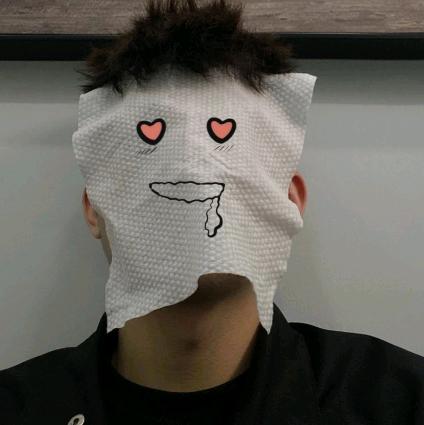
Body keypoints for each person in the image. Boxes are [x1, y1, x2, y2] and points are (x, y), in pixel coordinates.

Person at [1, 1, 424, 424]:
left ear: (290, 200)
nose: (190, 167)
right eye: (153, 144)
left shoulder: (399, 401)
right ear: (94, 207)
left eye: (223, 142)